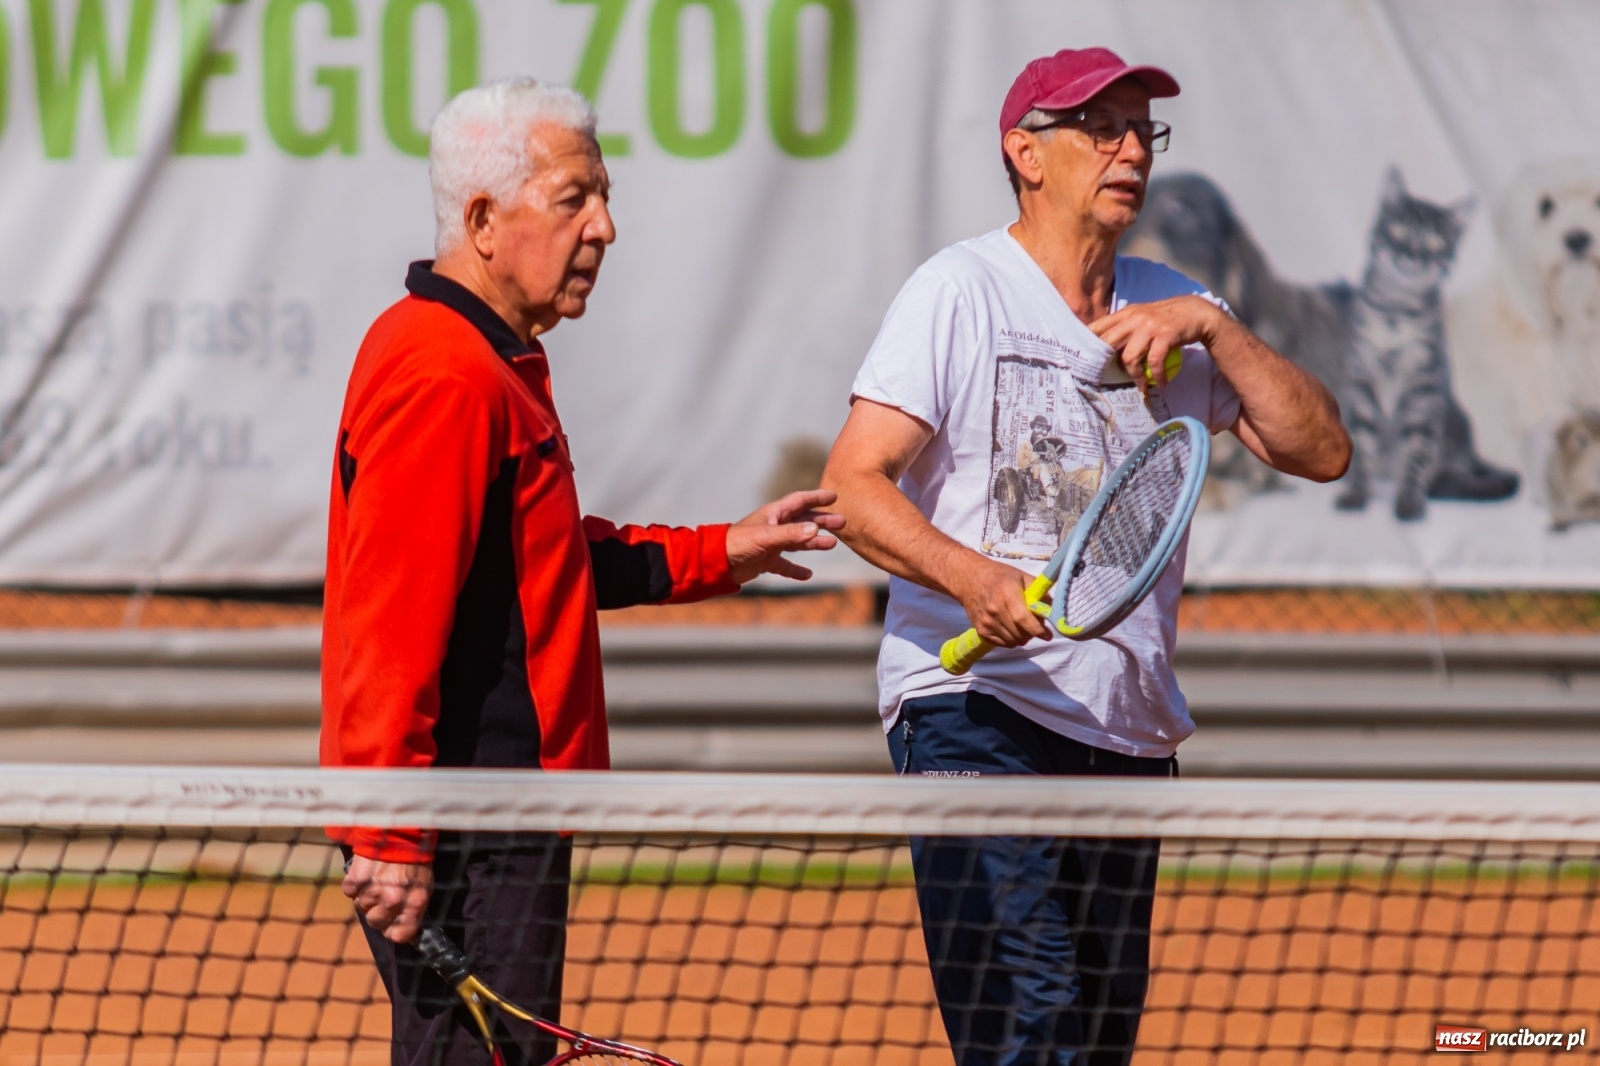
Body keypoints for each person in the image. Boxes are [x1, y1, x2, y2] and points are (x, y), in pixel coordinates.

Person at [821, 48, 1350, 1065]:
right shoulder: (959, 290)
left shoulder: (1175, 301)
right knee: (1033, 1022)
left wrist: (1211, 327)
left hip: (1126, 726)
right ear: (1025, 151)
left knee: (1095, 1038)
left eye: (1140, 131)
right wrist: (973, 580)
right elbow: (853, 486)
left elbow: (1320, 450)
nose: (1127, 151)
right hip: (974, 715)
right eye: (1098, 128)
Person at [321, 78, 843, 1065]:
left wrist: (724, 550)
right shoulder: (446, 374)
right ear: (482, 220)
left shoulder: (483, 361)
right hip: (471, 827)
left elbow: (544, 562)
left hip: (493, 822)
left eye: (602, 196)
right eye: (575, 199)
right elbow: (392, 629)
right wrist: (389, 837)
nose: (605, 225)